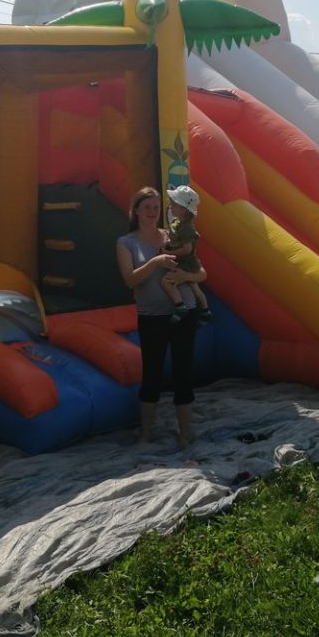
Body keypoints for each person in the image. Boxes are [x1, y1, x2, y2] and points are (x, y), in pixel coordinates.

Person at [115, 185, 207, 448]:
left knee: (183, 373)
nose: (153, 212)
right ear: (136, 210)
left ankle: (185, 434)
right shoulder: (127, 243)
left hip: (184, 311)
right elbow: (130, 280)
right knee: (152, 373)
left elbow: (201, 274)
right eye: (147, 207)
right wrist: (155, 262)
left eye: (156, 207)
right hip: (152, 316)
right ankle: (146, 434)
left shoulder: (173, 234)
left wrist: (186, 276)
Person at [161, 185, 212, 325]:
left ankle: (180, 306)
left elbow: (187, 249)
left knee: (166, 282)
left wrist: (169, 252)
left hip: (186, 263)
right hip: (188, 262)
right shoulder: (177, 222)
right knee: (194, 287)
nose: (170, 207)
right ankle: (206, 311)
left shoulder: (186, 228)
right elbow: (175, 238)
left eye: (174, 205)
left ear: (184, 209)